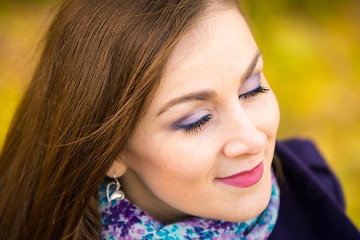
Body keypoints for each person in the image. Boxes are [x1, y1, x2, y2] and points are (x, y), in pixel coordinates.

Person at [0, 0, 358, 239]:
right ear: (110, 152)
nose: (251, 140)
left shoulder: (313, 184)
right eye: (196, 120)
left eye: (252, 88)